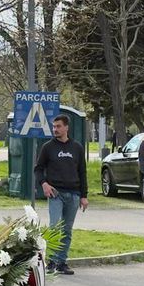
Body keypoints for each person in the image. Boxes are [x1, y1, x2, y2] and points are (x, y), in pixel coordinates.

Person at [34, 114, 87, 275]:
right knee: (54, 227)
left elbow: (82, 172)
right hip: (55, 193)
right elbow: (38, 168)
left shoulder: (77, 147)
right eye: (54, 126)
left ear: (66, 128)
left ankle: (62, 262)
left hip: (74, 193)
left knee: (67, 230)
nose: (55, 129)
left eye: (58, 126)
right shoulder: (48, 147)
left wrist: (84, 196)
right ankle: (51, 261)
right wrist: (44, 183)